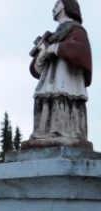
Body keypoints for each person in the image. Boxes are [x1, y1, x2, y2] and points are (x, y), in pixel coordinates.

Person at [26, 0, 92, 147]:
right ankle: (42, 133)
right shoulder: (52, 35)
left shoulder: (77, 30)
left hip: (66, 79)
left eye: (57, 5)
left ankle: (63, 132)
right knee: (44, 99)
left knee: (61, 98)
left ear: (66, 6)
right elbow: (37, 69)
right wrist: (42, 54)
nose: (53, 8)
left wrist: (56, 48)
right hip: (49, 79)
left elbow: (81, 51)